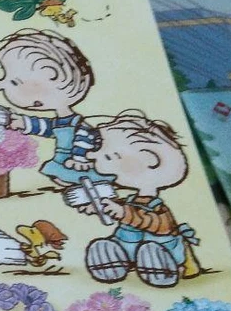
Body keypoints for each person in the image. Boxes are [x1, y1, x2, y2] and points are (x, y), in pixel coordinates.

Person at [73, 111, 201, 287]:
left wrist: (123, 213)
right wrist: (99, 208)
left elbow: (160, 225)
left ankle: (158, 268)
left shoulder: (158, 207)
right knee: (110, 245)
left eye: (110, 156)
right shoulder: (131, 200)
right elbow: (122, 209)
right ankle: (112, 260)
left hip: (160, 247)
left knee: (151, 249)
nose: (91, 156)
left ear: (149, 159)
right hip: (128, 246)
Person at [0, 29, 109, 187]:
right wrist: (24, 123)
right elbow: (47, 127)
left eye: (15, 82)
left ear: (51, 75)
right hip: (62, 163)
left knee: (76, 179)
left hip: (77, 165)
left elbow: (86, 136)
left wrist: (80, 159)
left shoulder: (77, 124)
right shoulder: (60, 121)